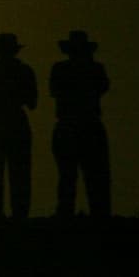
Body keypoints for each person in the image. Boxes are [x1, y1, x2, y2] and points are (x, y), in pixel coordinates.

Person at [50, 30, 111, 218]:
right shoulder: (94, 68)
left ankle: (66, 213)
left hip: (69, 124)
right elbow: (103, 87)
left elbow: (54, 90)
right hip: (88, 124)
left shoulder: (60, 69)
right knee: (94, 174)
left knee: (68, 175)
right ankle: (98, 214)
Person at [0, 33, 37, 220]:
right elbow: (32, 102)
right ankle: (20, 213)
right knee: (19, 172)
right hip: (16, 121)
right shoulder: (24, 70)